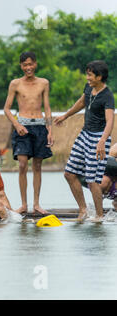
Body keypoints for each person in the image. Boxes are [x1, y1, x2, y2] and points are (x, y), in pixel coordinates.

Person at [54, 60, 115, 222]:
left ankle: (99, 216)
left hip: (99, 137)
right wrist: (65, 115)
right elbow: (82, 102)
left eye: (90, 75)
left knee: (92, 179)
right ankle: (83, 210)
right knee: (69, 173)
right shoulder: (89, 88)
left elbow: (110, 121)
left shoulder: (107, 96)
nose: (87, 77)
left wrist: (102, 141)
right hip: (85, 134)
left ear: (99, 77)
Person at [3, 51, 54, 215]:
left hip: (40, 126)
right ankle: (23, 204)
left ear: (36, 64)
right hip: (22, 126)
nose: (28, 67)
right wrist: (16, 124)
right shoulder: (15, 84)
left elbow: (47, 108)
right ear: (21, 66)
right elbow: (7, 109)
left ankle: (36, 204)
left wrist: (50, 131)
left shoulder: (44, 83)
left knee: (38, 166)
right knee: (23, 164)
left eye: (31, 64)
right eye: (25, 64)